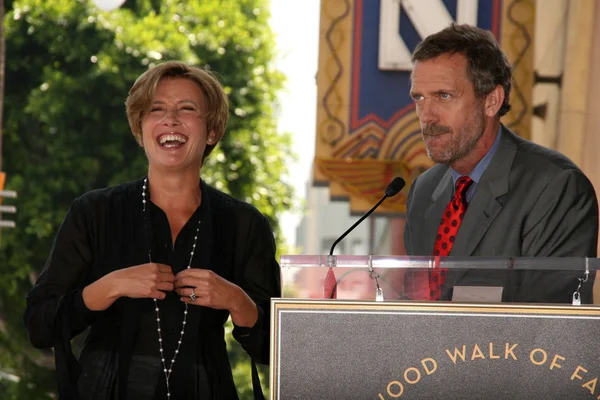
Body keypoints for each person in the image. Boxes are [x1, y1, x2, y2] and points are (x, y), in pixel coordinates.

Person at [24, 61, 281, 399]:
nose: (170, 119)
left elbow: (275, 349)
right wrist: (110, 286)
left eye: (186, 109)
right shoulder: (94, 212)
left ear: (213, 131)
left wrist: (235, 300)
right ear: (140, 128)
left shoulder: (245, 224)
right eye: (156, 109)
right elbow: (39, 324)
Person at [403, 24, 599, 303]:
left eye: (444, 96)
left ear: (492, 101)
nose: (427, 116)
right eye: (419, 98)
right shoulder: (424, 189)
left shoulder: (556, 186)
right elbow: (415, 304)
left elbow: (551, 325)